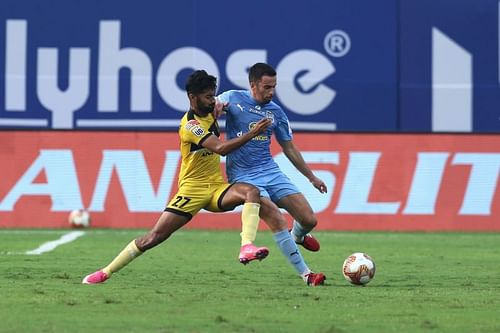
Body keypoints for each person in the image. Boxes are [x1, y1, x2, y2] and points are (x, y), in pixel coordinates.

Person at [82, 70, 272, 284]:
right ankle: (106, 272)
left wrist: (222, 104)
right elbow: (221, 148)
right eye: (208, 97)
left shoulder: (210, 109)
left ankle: (246, 246)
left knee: (251, 192)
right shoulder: (190, 126)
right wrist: (252, 133)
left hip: (217, 188)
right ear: (193, 97)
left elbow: (225, 103)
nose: (212, 101)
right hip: (192, 190)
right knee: (154, 237)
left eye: (213, 96)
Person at [215, 62, 327, 286]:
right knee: (276, 218)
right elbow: (214, 104)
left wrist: (311, 177)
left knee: (308, 218)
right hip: (244, 177)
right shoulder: (234, 98)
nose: (271, 92)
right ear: (253, 85)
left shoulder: (275, 112)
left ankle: (297, 236)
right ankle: (307, 274)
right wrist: (215, 108)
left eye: (274, 86)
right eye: (266, 87)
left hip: (270, 171)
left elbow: (289, 148)